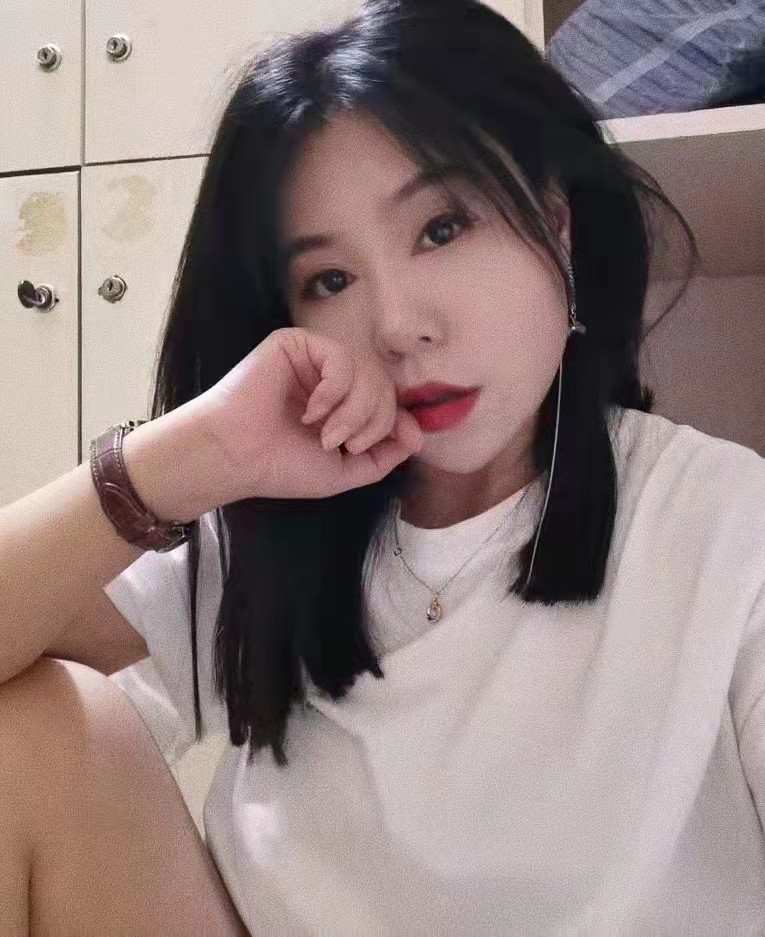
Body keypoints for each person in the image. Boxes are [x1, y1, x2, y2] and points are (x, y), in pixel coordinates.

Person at [1, 0, 764, 933]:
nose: (398, 327)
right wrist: (183, 459)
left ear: (556, 228)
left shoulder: (725, 528)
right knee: (29, 731)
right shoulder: (273, 544)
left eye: (442, 228)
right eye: (329, 280)